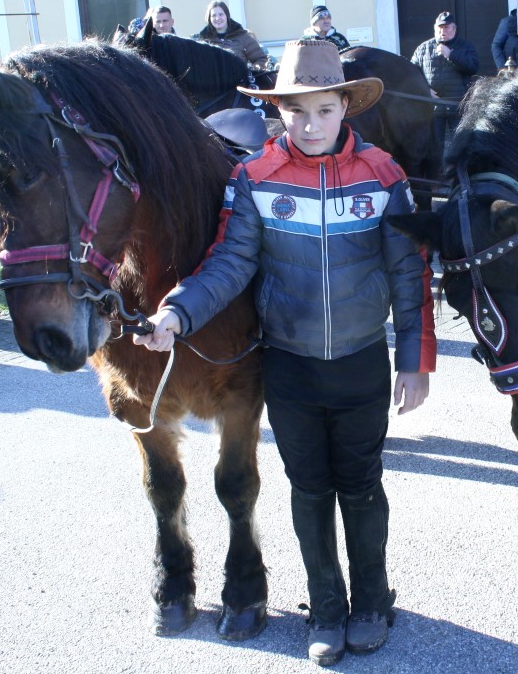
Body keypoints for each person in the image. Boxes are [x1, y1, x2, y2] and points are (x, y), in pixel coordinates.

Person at [134, 39, 435, 667]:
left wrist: (414, 357)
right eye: (296, 111)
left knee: (361, 485)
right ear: (279, 111)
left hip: (360, 364)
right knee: (308, 488)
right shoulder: (254, 179)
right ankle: (326, 609)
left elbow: (410, 272)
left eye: (324, 110)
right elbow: (229, 264)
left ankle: (372, 602)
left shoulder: (383, 175)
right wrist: (176, 312)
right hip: (291, 367)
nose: (311, 124)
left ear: (344, 106)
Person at [410, 11, 479, 153]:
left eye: (447, 27)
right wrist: (425, 90)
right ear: (435, 29)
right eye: (440, 27)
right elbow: (412, 74)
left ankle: (458, 173)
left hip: (457, 106)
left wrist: (451, 55)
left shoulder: (465, 46)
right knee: (435, 147)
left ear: (454, 29)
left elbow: (473, 67)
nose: (443, 31)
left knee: (460, 145)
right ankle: (438, 174)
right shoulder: (423, 48)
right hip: (433, 108)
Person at [194, 0, 270, 68]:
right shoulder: (202, 41)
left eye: (221, 14)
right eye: (214, 15)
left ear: (227, 16)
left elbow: (261, 59)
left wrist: (249, 72)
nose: (217, 18)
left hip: (239, 82)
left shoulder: (243, 38)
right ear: (209, 19)